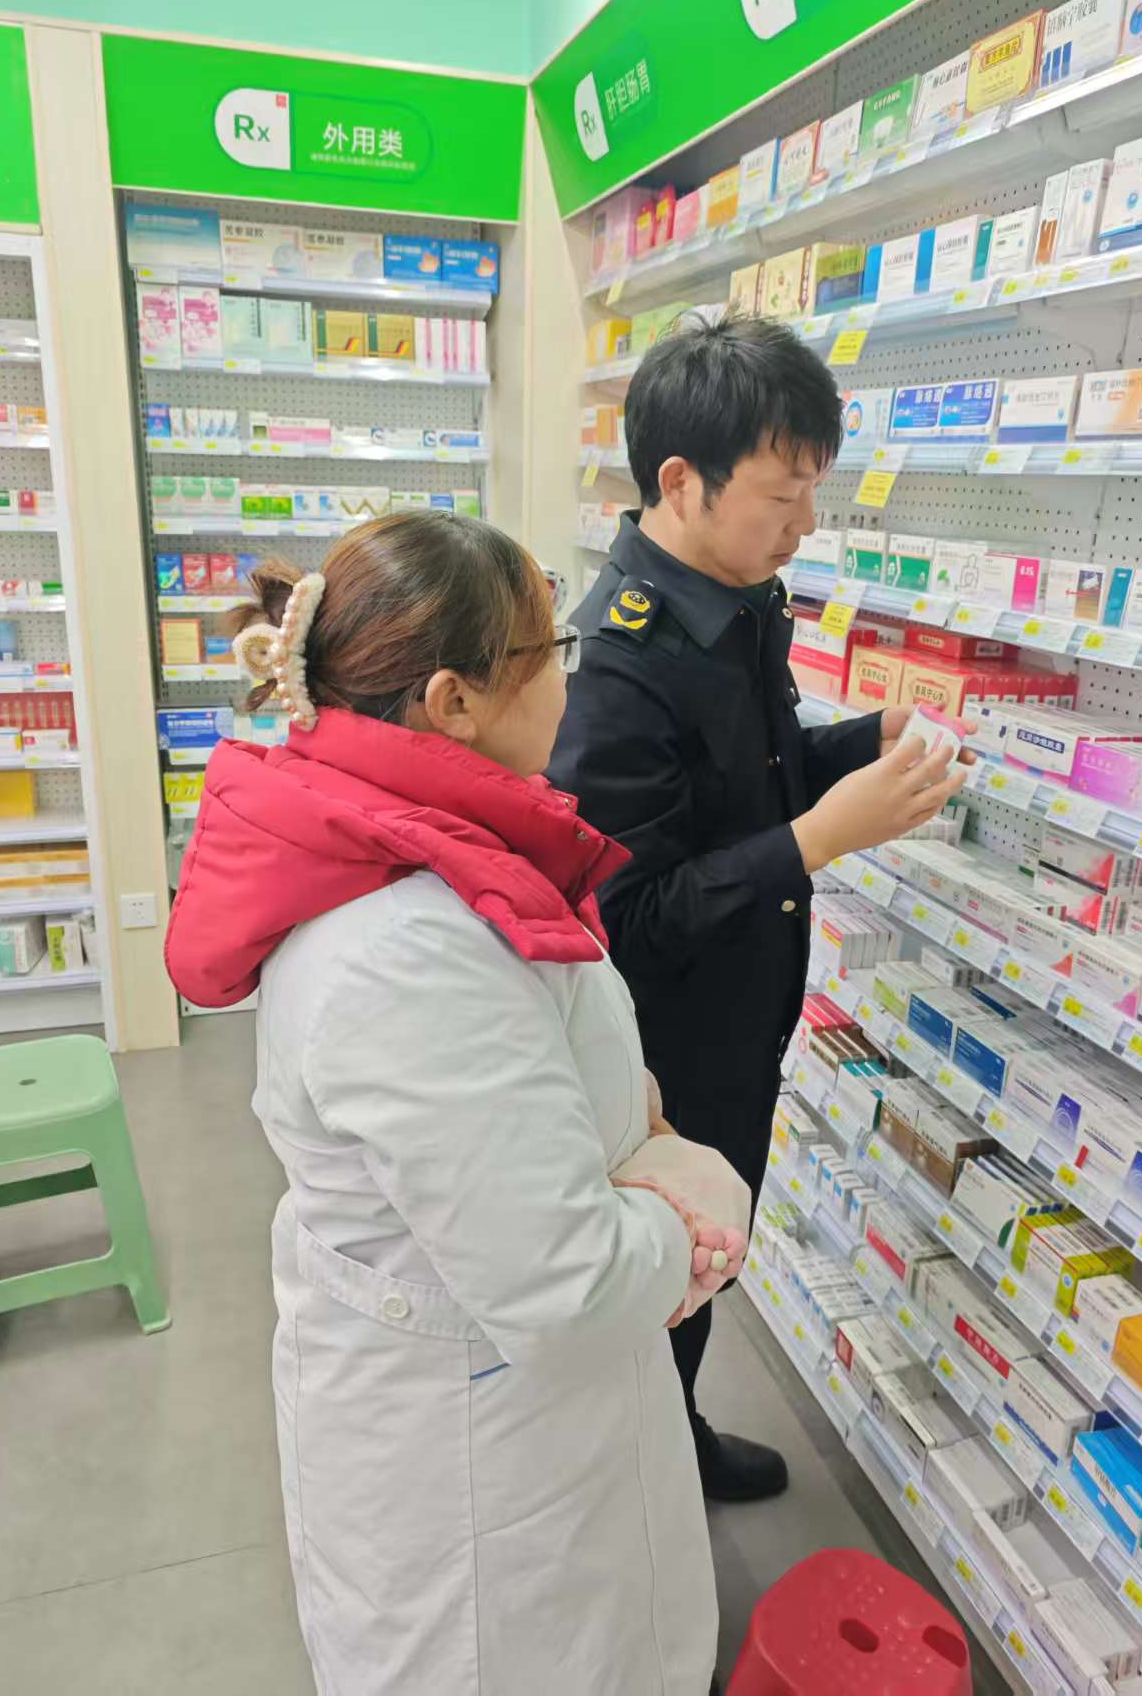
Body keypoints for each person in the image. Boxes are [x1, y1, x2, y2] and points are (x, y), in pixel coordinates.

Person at [164, 511, 752, 1696]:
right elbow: (567, 1285)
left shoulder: (421, 852)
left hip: (501, 1408)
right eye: (552, 652)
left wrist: (616, 1123)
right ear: (454, 701)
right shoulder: (405, 948)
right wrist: (693, 1200)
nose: (572, 679)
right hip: (483, 1471)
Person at [548, 315, 970, 1502]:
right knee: (666, 1266)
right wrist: (821, 837)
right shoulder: (619, 664)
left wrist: (863, 739)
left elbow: (748, 776)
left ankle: (668, 1435)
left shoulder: (732, 596)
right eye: (784, 496)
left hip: (739, 1017)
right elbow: (631, 916)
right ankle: (636, 1482)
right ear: (683, 481)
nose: (806, 523)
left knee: (705, 1261)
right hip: (665, 1047)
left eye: (812, 492)